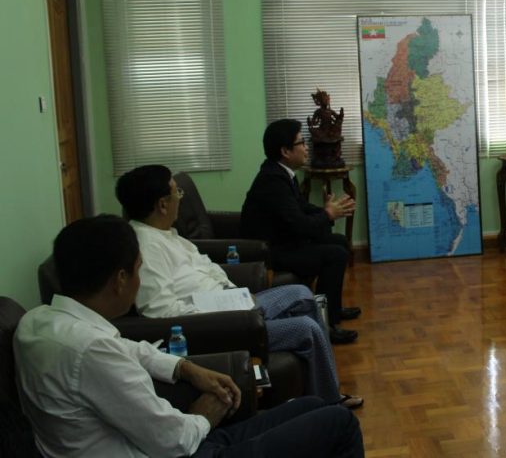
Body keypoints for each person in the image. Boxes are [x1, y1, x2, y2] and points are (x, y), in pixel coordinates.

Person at [14, 215, 364, 458]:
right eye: (137, 271)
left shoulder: (38, 321)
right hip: (183, 450)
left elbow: (129, 349)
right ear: (120, 280)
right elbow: (174, 441)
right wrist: (205, 415)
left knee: (314, 405)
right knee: (340, 423)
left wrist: (184, 367)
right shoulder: (92, 352)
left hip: (174, 441)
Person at [115, 164, 363, 409]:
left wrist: (236, 294)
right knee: (306, 328)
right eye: (177, 193)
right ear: (162, 205)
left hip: (234, 304)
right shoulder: (147, 248)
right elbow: (161, 312)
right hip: (221, 323)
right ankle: (330, 400)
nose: (180, 198)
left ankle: (319, 394)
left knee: (302, 294)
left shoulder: (166, 234)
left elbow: (208, 268)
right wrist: (225, 308)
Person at [241, 119, 360, 344]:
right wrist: (328, 215)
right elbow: (299, 224)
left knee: (339, 241)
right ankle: (325, 324)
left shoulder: (280, 173)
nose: (307, 148)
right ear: (285, 151)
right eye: (302, 143)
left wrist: (325, 211)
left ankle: (333, 309)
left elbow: (300, 208)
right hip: (271, 252)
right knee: (335, 254)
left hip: (285, 240)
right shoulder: (273, 181)